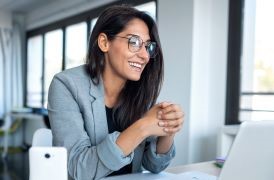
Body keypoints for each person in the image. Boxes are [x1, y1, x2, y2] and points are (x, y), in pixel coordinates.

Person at [48, 4, 184, 180]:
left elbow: (154, 166)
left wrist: (168, 128)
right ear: (104, 42)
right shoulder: (66, 85)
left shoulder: (139, 90)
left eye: (148, 46)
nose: (145, 56)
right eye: (134, 42)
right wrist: (142, 127)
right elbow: (78, 170)